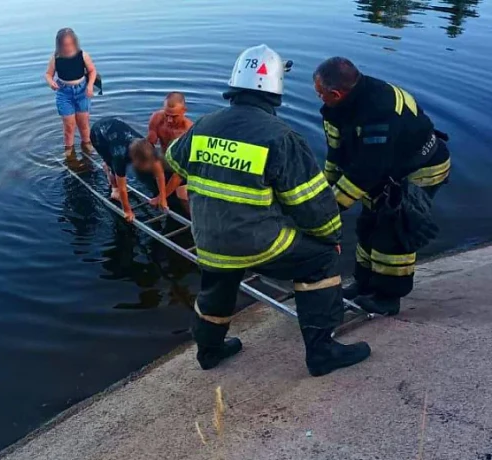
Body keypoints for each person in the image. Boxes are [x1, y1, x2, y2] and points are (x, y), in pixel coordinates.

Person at [166, 45, 371, 376]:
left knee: (217, 283)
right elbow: (311, 204)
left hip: (208, 238)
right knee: (321, 259)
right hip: (258, 242)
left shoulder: (203, 124)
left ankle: (209, 351)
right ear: (275, 88)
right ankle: (322, 352)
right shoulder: (280, 137)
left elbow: (174, 158)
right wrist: (330, 235)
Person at [314, 57, 451, 316]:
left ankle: (388, 297)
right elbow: (336, 155)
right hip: (387, 167)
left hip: (419, 171)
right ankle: (364, 284)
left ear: (336, 93)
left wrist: (328, 210)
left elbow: (367, 171)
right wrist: (324, 190)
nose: (318, 97)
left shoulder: (379, 110)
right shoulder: (340, 107)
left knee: (392, 230)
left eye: (320, 93)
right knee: (367, 224)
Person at [90, 117, 168, 222]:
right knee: (113, 167)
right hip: (98, 134)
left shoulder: (149, 148)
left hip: (116, 128)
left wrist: (162, 197)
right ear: (134, 160)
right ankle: (112, 184)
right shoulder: (119, 155)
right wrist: (127, 210)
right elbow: (123, 187)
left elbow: (160, 174)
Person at [45, 28, 98, 158]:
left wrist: (90, 85)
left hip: (81, 91)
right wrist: (50, 82)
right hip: (64, 93)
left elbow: (92, 71)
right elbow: (48, 74)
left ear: (75, 43)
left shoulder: (82, 55)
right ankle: (69, 149)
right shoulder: (55, 58)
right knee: (69, 126)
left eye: (70, 44)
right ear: (59, 45)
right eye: (64, 45)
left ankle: (87, 144)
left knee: (83, 124)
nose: (68, 48)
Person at [147, 92, 194, 204]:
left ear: (184, 111)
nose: (169, 120)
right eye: (166, 114)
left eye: (174, 116)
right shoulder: (157, 118)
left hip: (182, 170)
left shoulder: (189, 132)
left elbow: (180, 172)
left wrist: (161, 197)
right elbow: (149, 144)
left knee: (180, 196)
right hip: (165, 162)